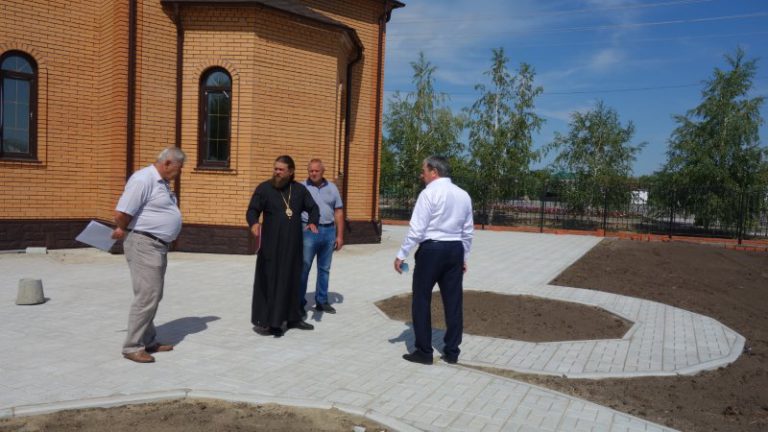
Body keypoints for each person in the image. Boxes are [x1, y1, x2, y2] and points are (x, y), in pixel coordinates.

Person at [394, 155, 474, 365]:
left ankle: (424, 351)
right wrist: (464, 256)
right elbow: (467, 231)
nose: (422, 175)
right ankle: (452, 351)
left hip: (432, 250)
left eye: (424, 171)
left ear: (434, 172)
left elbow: (417, 229)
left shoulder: (428, 193)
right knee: (453, 301)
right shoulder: (463, 195)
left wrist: (402, 254)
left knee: (421, 299)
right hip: (455, 249)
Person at [112, 146, 186, 363]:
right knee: (147, 295)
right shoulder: (143, 179)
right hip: (144, 244)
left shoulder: (161, 183)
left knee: (153, 295)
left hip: (157, 245)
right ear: (168, 163)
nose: (180, 172)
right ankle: (132, 347)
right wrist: (123, 228)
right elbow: (121, 212)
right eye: (179, 167)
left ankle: (148, 340)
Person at [247, 155, 319, 337]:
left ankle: (293, 318)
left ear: (291, 171)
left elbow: (313, 208)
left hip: (293, 247)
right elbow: (252, 210)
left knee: (292, 281)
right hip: (271, 247)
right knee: (272, 282)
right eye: (275, 169)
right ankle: (272, 323)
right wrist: (254, 223)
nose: (277, 172)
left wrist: (313, 221)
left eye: (281, 169)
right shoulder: (264, 188)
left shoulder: (299, 190)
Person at [299, 159, 344, 316]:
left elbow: (338, 211)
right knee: (304, 267)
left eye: (316, 170)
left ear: (323, 171)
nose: (313, 173)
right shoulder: (302, 187)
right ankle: (298, 303)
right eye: (310, 170)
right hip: (308, 231)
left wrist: (339, 236)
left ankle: (321, 301)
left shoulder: (332, 188)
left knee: (324, 268)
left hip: (329, 231)